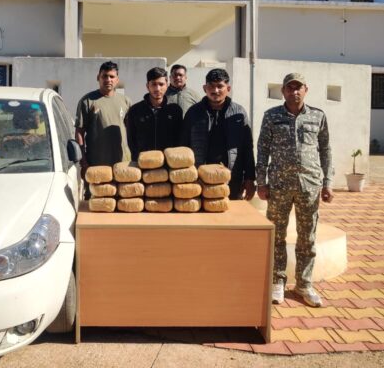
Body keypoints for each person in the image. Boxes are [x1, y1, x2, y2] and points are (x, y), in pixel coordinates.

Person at [257, 73, 334, 308]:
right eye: (290, 88)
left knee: (307, 237)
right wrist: (261, 182)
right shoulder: (272, 116)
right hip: (279, 186)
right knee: (277, 235)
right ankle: (277, 281)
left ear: (306, 90)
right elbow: (262, 149)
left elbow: (326, 150)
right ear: (283, 91)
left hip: (309, 186)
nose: (294, 92)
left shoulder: (318, 116)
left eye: (298, 88)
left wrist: (328, 183)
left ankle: (304, 284)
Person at [181, 68, 255, 200]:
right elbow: (184, 147)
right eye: (211, 86)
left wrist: (250, 178)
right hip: (200, 177)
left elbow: (247, 147)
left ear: (228, 88)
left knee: (230, 211)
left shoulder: (239, 113)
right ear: (205, 88)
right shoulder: (193, 113)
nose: (215, 90)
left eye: (220, 86)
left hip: (232, 178)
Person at [75, 61, 132, 178]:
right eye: (104, 76)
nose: (108, 80)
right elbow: (79, 132)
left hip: (122, 162)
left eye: (112, 76)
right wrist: (83, 161)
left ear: (117, 80)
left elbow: (132, 131)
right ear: (98, 77)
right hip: (96, 163)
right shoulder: (87, 101)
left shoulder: (126, 101)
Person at [125, 67, 183, 161]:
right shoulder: (135, 110)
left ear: (167, 85)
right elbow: (131, 141)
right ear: (147, 86)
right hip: (144, 163)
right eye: (154, 84)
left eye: (161, 84)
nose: (157, 88)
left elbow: (179, 139)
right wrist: (138, 159)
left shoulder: (175, 110)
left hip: (168, 163)